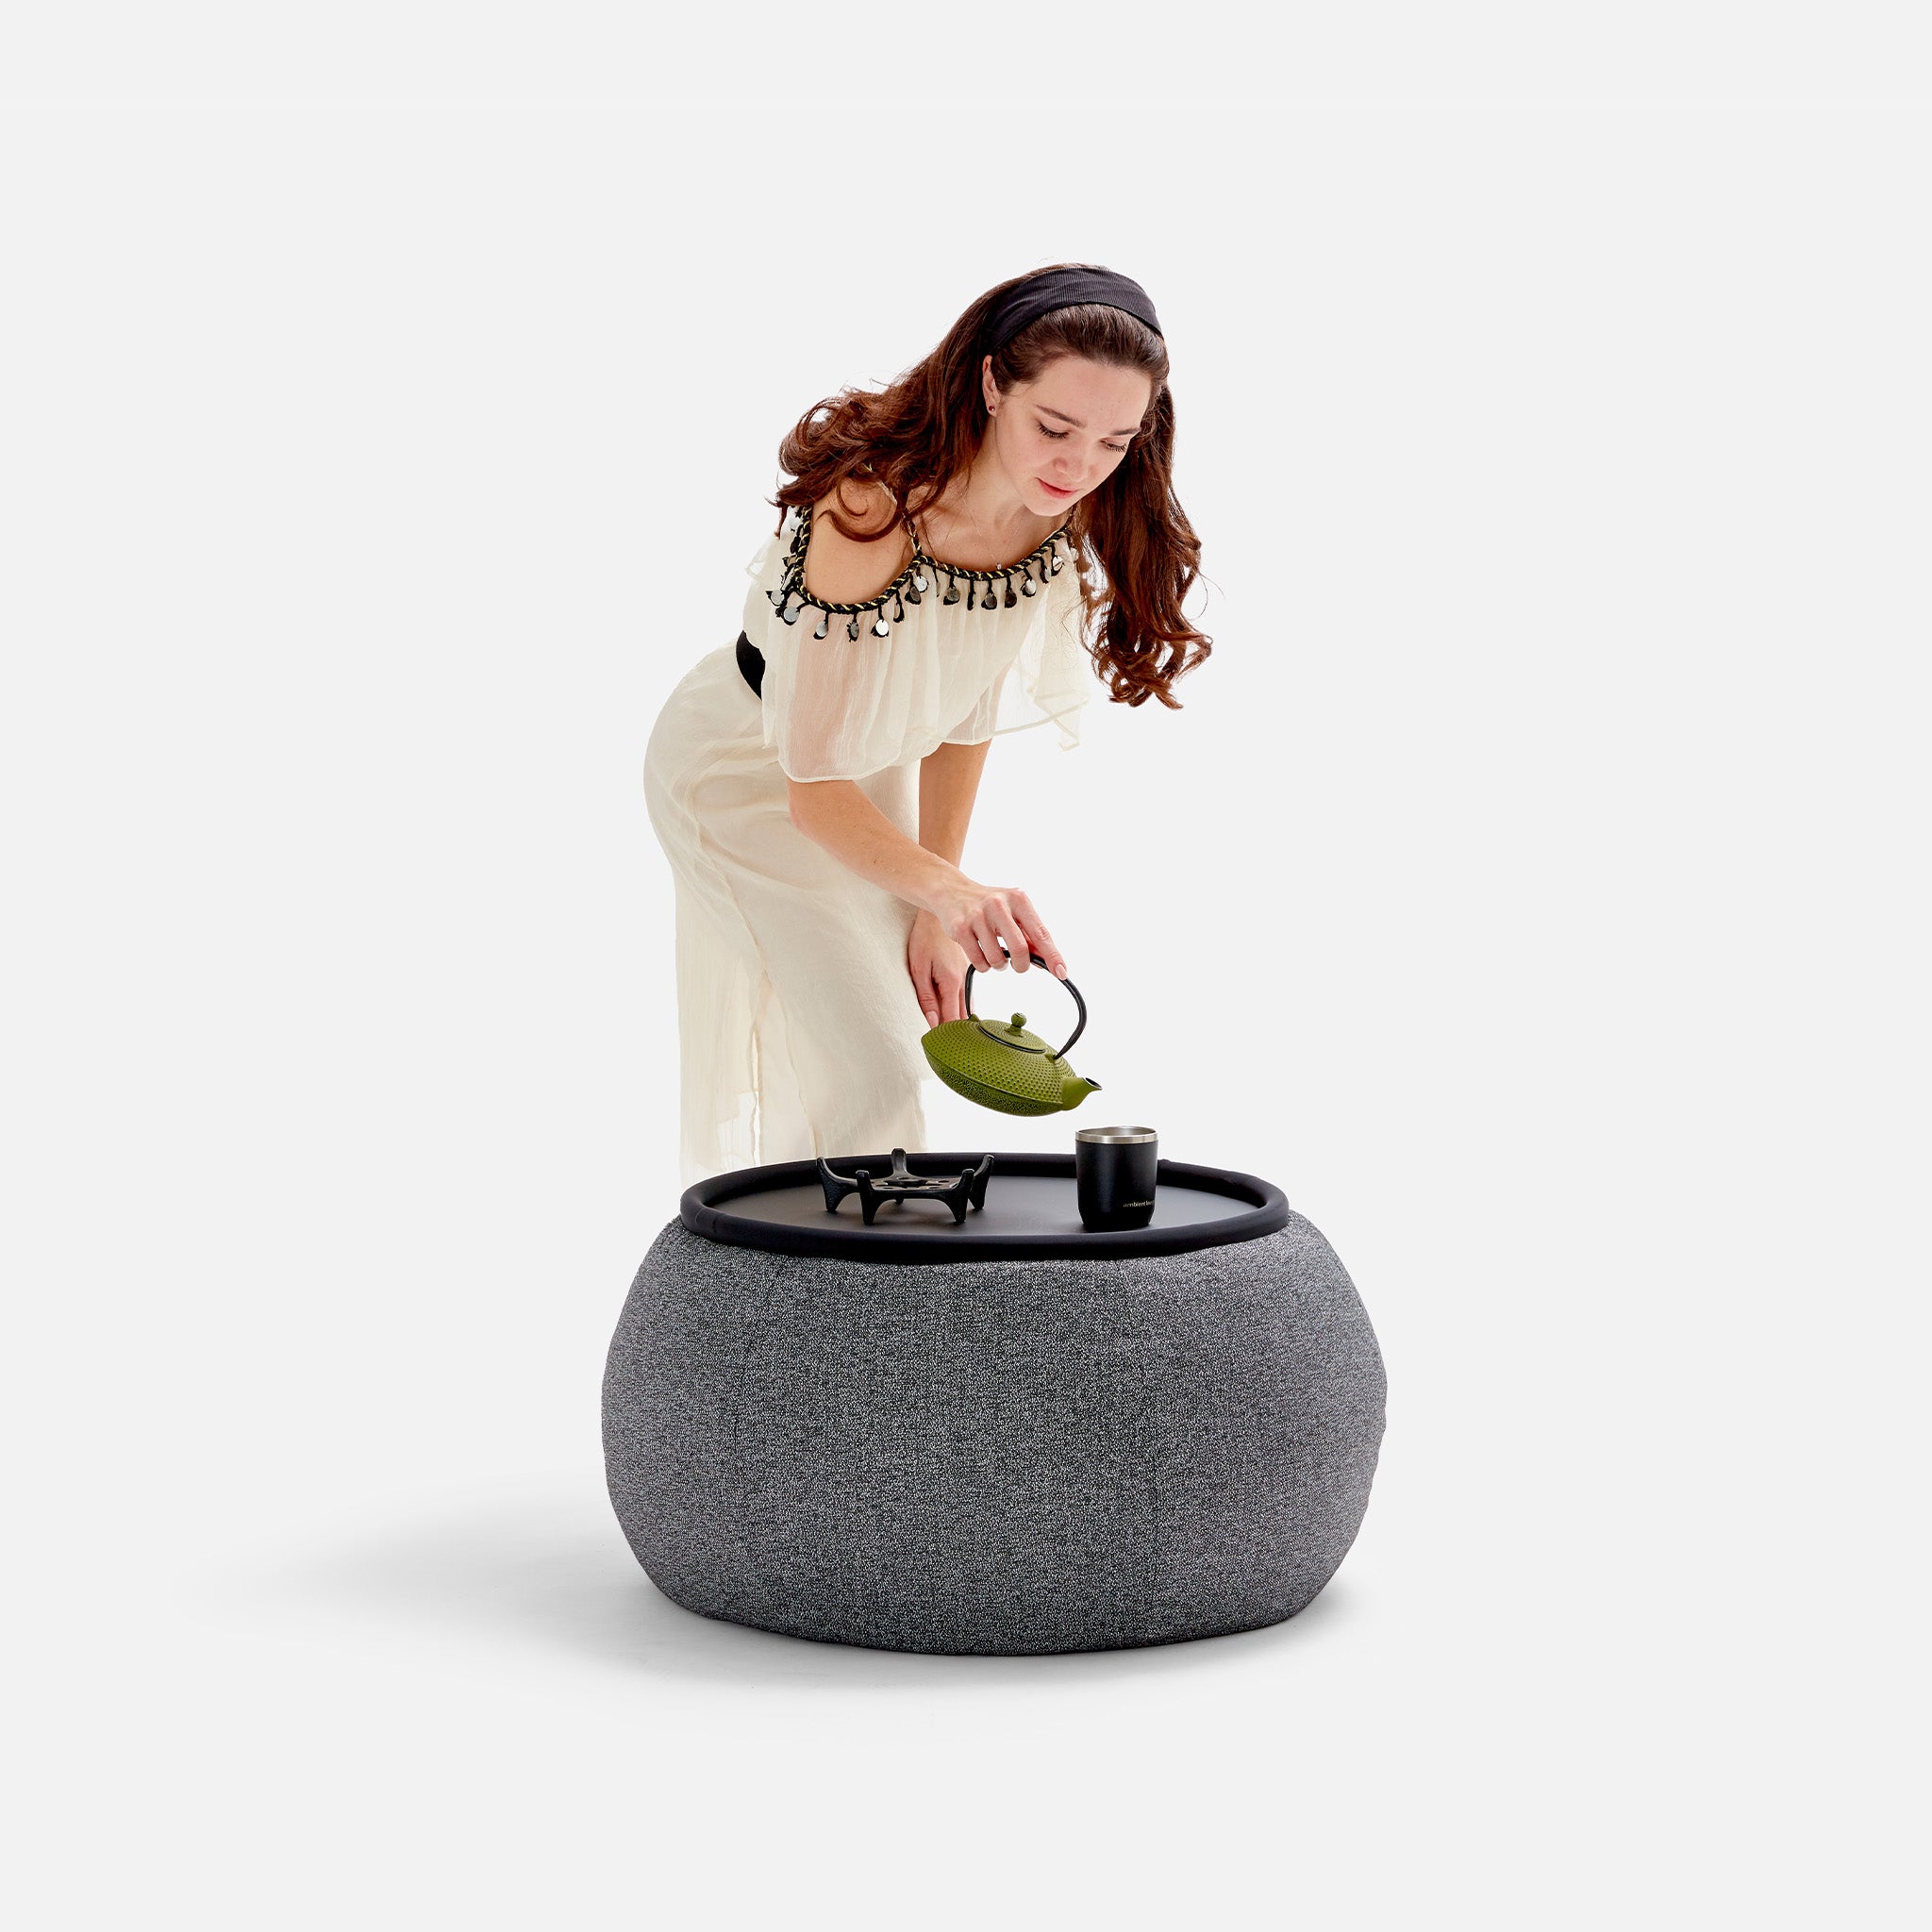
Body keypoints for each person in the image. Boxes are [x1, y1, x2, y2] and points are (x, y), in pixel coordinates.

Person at [643, 263, 1211, 1188]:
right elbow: (811, 790)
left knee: (886, 1041)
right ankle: (803, 1269)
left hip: (870, 783)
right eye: (1053, 427)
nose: (1076, 466)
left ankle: (849, 1257)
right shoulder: (872, 505)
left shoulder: (1051, 511)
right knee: (871, 1069)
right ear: (992, 384)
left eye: (1114, 441)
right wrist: (952, 891)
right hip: (744, 771)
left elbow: (962, 709)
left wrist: (933, 909)